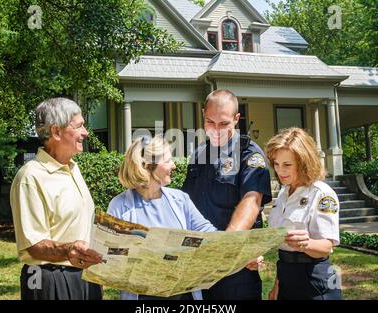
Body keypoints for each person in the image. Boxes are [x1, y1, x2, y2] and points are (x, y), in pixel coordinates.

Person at [106, 135, 261, 300]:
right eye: (167, 160)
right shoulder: (120, 206)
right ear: (148, 166)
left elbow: (211, 236)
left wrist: (242, 255)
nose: (173, 165)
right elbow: (110, 257)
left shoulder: (180, 200)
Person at [182, 90, 272, 300]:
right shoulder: (198, 154)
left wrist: (225, 247)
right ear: (203, 114)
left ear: (236, 119)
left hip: (236, 267)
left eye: (223, 124)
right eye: (209, 122)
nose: (216, 130)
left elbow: (252, 200)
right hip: (199, 265)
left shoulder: (249, 153)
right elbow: (186, 203)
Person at [10, 97, 103, 300]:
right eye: (79, 126)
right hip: (49, 279)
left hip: (85, 277)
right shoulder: (30, 177)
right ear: (56, 131)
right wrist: (69, 250)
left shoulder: (73, 169)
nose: (85, 133)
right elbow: (33, 245)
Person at [265, 127, 343, 300]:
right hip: (286, 277)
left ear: (303, 163)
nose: (280, 171)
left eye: (287, 165)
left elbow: (326, 247)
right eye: (276, 164)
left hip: (314, 280)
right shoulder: (284, 192)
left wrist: (306, 243)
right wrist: (277, 285)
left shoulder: (322, 194)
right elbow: (285, 248)